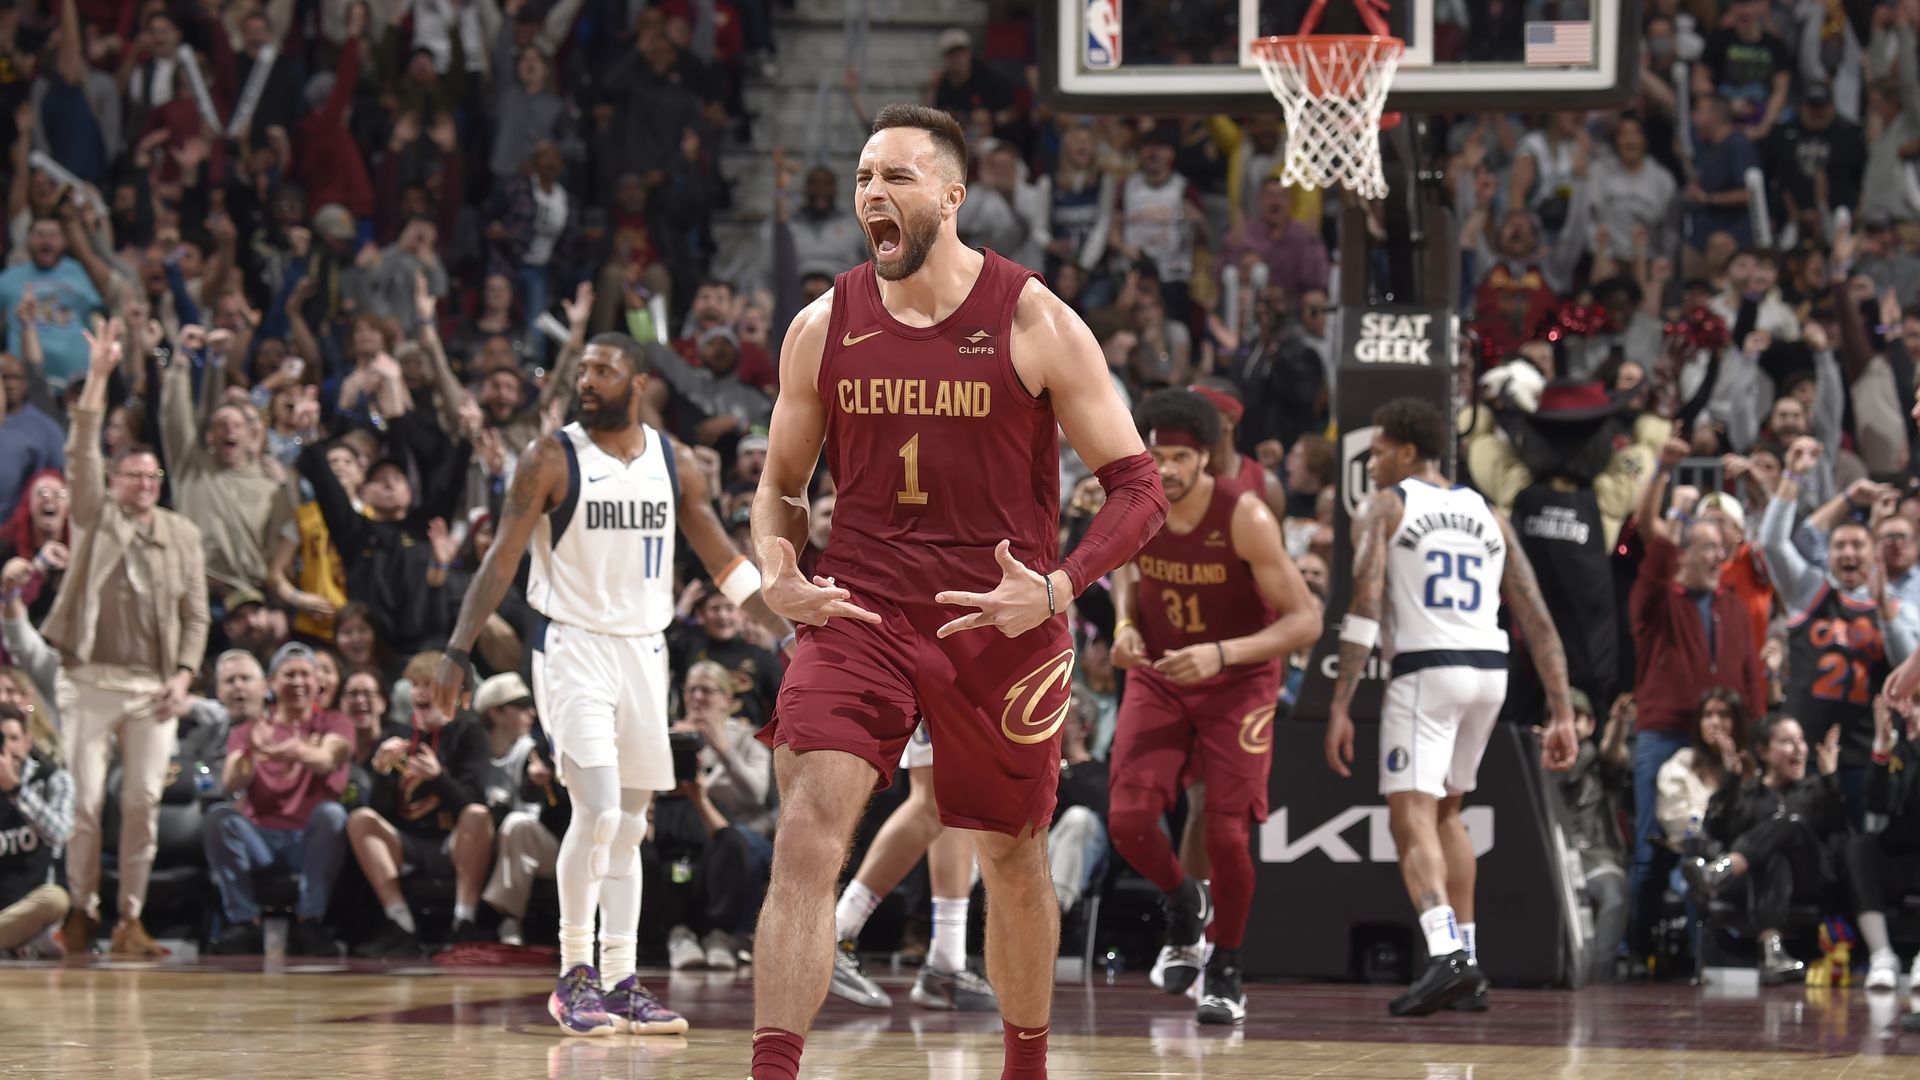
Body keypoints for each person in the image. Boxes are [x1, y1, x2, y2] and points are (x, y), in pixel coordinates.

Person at [747, 104, 1167, 1080]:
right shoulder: (822, 325)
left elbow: (1139, 489)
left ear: (951, 194)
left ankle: (1026, 1065)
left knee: (1011, 857)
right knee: (808, 831)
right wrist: (776, 566)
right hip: (860, 609)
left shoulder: (1035, 319)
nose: (870, 196)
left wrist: (1058, 588)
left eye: (894, 177)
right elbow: (780, 485)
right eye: (861, 179)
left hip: (1001, 618)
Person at [430, 331, 786, 1037]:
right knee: (593, 809)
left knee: (628, 826)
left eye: (603, 369)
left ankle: (622, 982)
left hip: (644, 653)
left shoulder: (674, 462)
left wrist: (789, 630)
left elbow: (722, 558)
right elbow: (501, 560)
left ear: (640, 380)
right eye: (583, 369)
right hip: (571, 647)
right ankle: (573, 975)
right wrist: (456, 649)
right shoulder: (550, 457)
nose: (586, 380)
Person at [1324, 397, 1578, 1017]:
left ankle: (1444, 956)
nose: (1373, 459)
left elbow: (1363, 605)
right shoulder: (1486, 511)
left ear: (1408, 452)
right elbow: (1537, 617)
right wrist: (1564, 710)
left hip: (1427, 671)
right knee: (1448, 812)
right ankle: (1468, 956)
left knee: (1408, 814)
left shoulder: (1386, 506)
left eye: (1380, 448)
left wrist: (1339, 703)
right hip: (1489, 673)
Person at [1106, 388, 1319, 1024]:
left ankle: (1226, 967)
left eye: (1178, 456)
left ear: (1205, 459)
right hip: (1162, 675)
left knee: (1226, 833)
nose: (1165, 467)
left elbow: (1307, 621)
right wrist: (1122, 626)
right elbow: (1125, 572)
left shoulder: (1245, 515)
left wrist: (1223, 655)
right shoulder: (1137, 505)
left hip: (1238, 681)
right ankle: (1181, 904)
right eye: (1157, 453)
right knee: (1128, 818)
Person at [43, 322, 209, 959]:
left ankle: (129, 920)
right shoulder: (94, 517)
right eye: (132, 475)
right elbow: (82, 453)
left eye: (152, 476)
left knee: (141, 801)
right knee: (85, 802)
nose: (144, 483)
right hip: (88, 679)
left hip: (152, 689)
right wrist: (102, 376)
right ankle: (80, 910)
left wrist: (185, 674)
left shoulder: (182, 535)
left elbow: (196, 616)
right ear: (114, 482)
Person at [827, 720, 999, 1012]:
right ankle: (835, 934)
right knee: (933, 797)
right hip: (950, 677)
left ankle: (947, 960)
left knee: (958, 800)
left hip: (970, 678)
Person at [203, 647, 352, 955]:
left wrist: (290, 749)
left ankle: (309, 921)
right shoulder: (250, 730)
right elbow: (231, 781)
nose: (298, 682)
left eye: (305, 675)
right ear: (272, 683)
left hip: (308, 840)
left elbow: (327, 759)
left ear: (317, 683)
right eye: (289, 674)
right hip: (262, 840)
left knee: (333, 815)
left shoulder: (335, 723)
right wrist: (248, 753)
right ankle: (244, 922)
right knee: (219, 817)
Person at [1686, 715, 1844, 983]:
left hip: (1808, 878)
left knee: (1790, 825)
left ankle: (1720, 871)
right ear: (1763, 752)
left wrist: (1830, 780)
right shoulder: (1749, 793)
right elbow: (1717, 830)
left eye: (1801, 741)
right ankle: (1772, 952)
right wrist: (1731, 782)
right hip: (1755, 883)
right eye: (1786, 742)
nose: (1798, 749)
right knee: (1773, 859)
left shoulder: (1816, 790)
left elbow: (1838, 828)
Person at [1852, 693, 1920, 990]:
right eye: (1907, 703)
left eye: (1918, 703)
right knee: (1860, 847)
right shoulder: (1899, 751)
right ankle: (1882, 955)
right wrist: (1881, 749)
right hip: (1900, 859)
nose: (1909, 712)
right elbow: (1877, 807)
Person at [0, 703, 73, 958]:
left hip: (31, 906)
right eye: (1, 739)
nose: (7, 747)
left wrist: (15, 789)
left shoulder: (52, 779)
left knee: (56, 899)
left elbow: (60, 833)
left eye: (13, 738)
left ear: (28, 741)